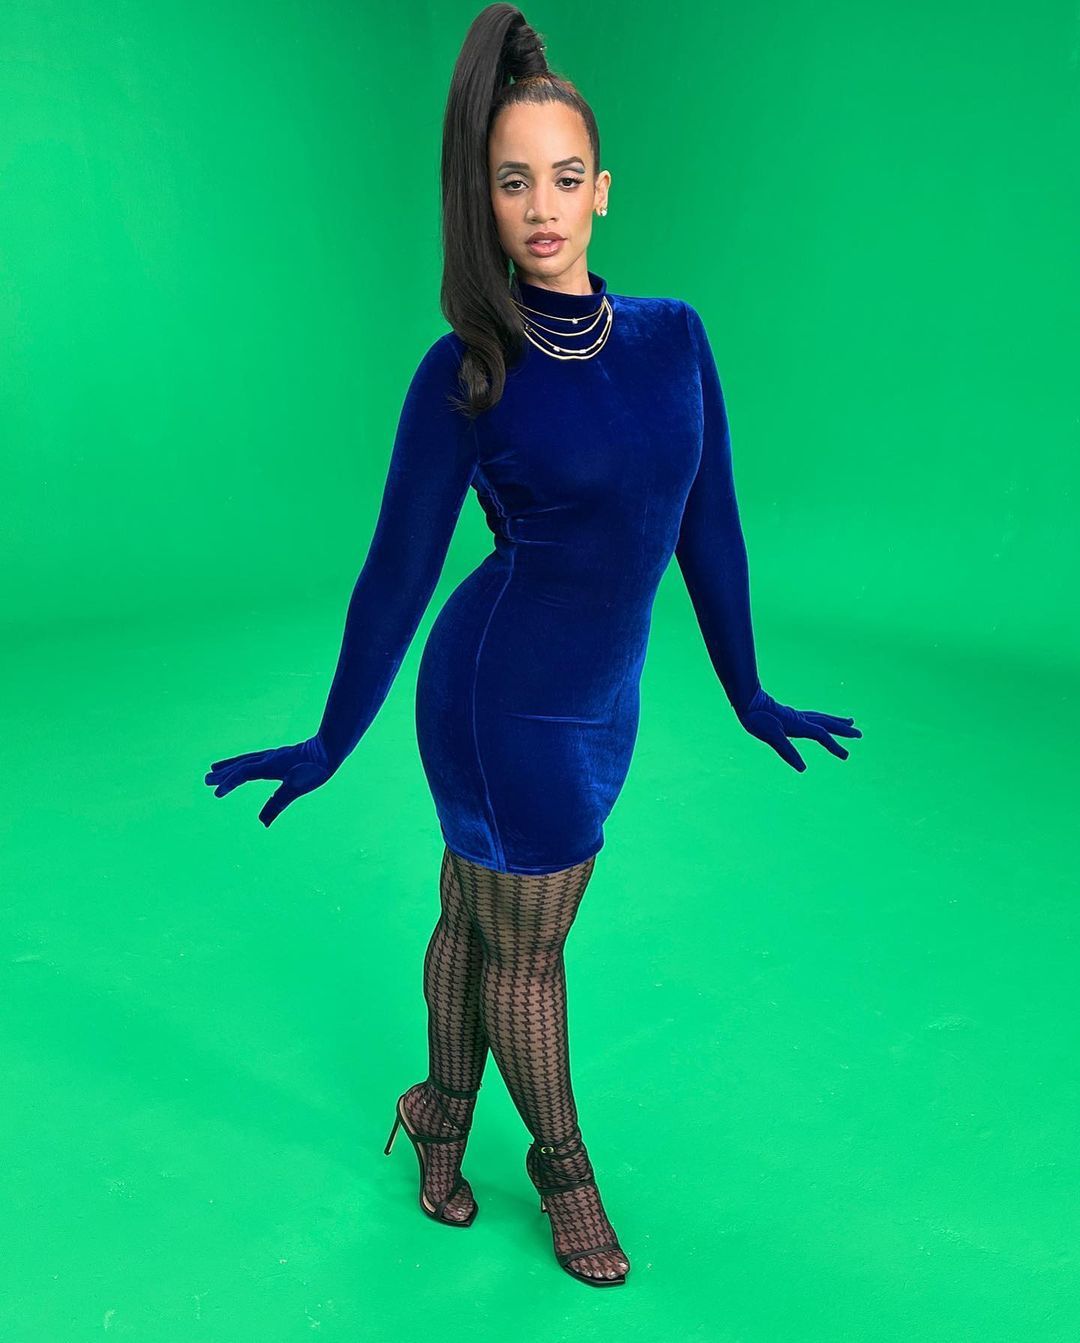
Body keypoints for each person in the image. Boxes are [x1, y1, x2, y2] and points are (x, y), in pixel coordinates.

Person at [204, 3, 862, 1288]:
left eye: (565, 178)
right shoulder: (467, 367)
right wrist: (331, 737)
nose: (542, 207)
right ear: (485, 200)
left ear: (603, 188)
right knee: (530, 947)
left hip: (600, 695)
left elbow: (708, 525)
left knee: (475, 914)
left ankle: (438, 1120)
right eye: (514, 182)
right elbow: (396, 571)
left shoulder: (675, 338)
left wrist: (749, 691)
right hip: (499, 701)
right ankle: (565, 1172)